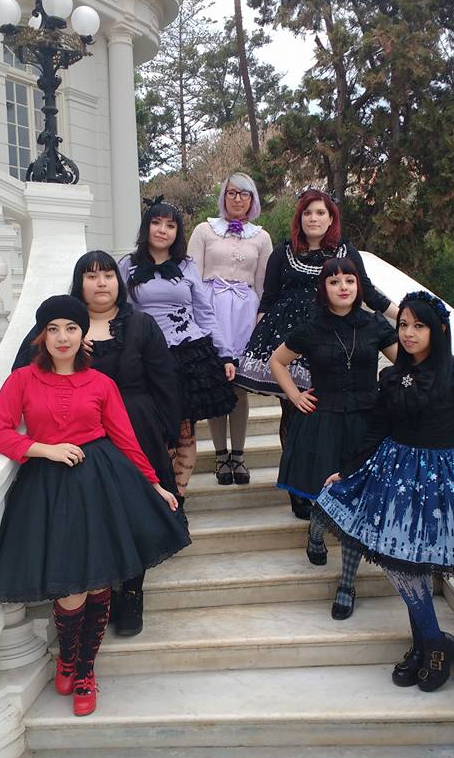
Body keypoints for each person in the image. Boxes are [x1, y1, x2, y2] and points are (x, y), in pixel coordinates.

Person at [0, 296, 190, 716]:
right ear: (42, 335)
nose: (62, 337)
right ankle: (67, 657)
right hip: (47, 489)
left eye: (71, 328)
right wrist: (44, 449)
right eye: (53, 329)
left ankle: (84, 671)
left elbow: (125, 438)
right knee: (71, 587)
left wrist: (154, 484)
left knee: (98, 584)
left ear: (82, 335)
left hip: (100, 483)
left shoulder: (101, 383)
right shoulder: (22, 380)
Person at [317, 291, 454, 691]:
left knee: (415, 563)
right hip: (394, 474)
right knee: (400, 563)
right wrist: (347, 470)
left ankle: (425, 648)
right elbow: (378, 429)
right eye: (403, 325)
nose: (409, 333)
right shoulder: (391, 376)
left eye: (419, 326)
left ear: (438, 330)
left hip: (441, 481)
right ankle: (434, 643)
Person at [12, 250, 182, 638]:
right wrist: (68, 346)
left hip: (136, 427)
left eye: (107, 274)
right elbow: (23, 369)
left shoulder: (140, 324)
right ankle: (96, 593)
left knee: (134, 514)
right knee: (97, 520)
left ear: (118, 281)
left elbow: (164, 380)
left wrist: (168, 431)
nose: (101, 282)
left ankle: (132, 594)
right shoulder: (62, 325)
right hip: (83, 437)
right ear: (80, 283)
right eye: (91, 276)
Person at [236, 188, 397, 520]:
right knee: (295, 411)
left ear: (331, 217)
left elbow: (368, 292)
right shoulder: (283, 252)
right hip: (290, 336)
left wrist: (407, 314)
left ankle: (335, 484)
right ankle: (298, 488)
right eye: (308, 212)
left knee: (330, 418)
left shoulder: (346, 251)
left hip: (335, 340)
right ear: (300, 217)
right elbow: (269, 297)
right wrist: (258, 337)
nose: (314, 218)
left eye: (321, 212)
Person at [270, 257, 398, 618]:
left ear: (358, 286)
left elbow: (409, 363)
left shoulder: (374, 324)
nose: (343, 287)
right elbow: (277, 361)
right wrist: (295, 396)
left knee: (355, 505)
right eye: (334, 281)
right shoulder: (311, 328)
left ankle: (347, 584)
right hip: (323, 421)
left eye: (350, 280)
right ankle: (315, 532)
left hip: (368, 423)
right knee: (326, 496)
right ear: (323, 288)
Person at [119, 197, 237, 509]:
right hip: (145, 358)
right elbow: (118, 313)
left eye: (170, 225)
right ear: (146, 227)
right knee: (155, 431)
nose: (163, 230)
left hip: (188, 355)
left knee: (185, 431)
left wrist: (225, 354)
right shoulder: (127, 266)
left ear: (177, 232)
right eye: (156, 223)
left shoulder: (187, 266)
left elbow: (205, 312)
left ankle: (177, 501)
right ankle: (158, 496)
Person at [188, 172, 272, 485]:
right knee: (217, 384)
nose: (238, 199)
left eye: (244, 194)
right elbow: (192, 277)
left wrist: (263, 320)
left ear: (253, 199)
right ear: (223, 196)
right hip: (212, 312)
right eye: (232, 193)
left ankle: (238, 454)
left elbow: (264, 284)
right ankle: (220, 455)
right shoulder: (204, 230)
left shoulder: (261, 237)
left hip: (245, 316)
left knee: (239, 387)